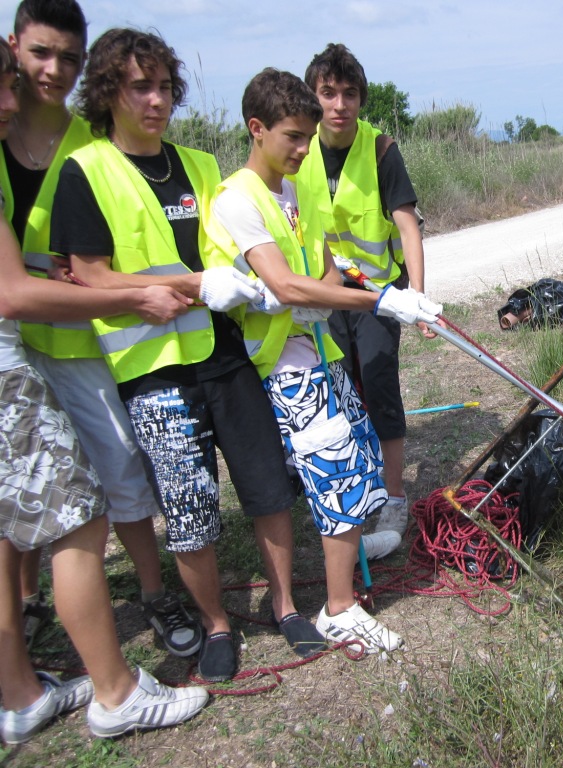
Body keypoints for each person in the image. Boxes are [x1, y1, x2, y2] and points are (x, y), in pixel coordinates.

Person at [49, 28, 326, 681]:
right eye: (139, 87)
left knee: (265, 483)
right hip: (152, 371)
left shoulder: (201, 166)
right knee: (190, 507)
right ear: (108, 92)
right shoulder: (84, 171)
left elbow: (233, 253)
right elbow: (87, 277)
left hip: (223, 351)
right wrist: (188, 284)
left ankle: (287, 607)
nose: (156, 100)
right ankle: (217, 625)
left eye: (166, 87)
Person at [0, 38, 209, 742]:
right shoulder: (54, 149)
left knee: (88, 484)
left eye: (65, 55)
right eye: (33, 58)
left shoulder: (92, 143)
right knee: (69, 509)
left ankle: (36, 675)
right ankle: (97, 679)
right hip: (31, 343)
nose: (38, 79)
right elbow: (19, 289)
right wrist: (112, 292)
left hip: (86, 344)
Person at [208, 68, 441, 650]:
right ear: (256, 129)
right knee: (333, 470)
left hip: (322, 348)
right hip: (282, 364)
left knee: (359, 455)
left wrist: (357, 291)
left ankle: (356, 552)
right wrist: (378, 297)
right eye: (292, 136)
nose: (303, 149)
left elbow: (324, 270)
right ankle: (338, 607)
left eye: (308, 138)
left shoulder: (294, 190)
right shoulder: (238, 199)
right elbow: (286, 286)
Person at [293, 43, 434, 559]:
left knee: (377, 387)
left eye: (349, 94)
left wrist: (415, 297)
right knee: (336, 391)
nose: (339, 104)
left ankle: (394, 497)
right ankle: (353, 490)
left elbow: (407, 226)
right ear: (313, 97)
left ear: (361, 99)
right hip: (323, 295)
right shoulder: (297, 147)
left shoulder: (379, 149)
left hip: (377, 296)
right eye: (327, 93)